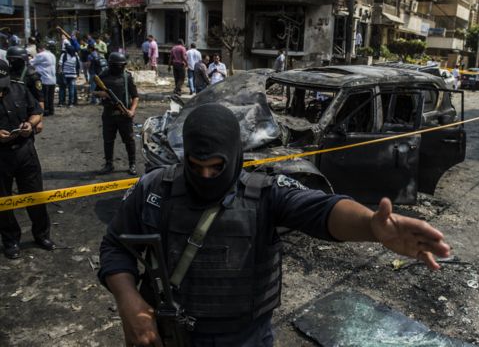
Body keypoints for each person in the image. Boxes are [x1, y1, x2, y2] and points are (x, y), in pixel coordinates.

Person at [98, 103, 450, 346]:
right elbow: (115, 246)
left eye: (217, 167)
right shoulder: (155, 188)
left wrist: (370, 226)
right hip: (163, 335)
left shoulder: (265, 192)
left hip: (243, 339)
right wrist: (129, 302)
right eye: (196, 166)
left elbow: (321, 210)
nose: (206, 176)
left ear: (236, 155)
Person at [0, 59, 55, 259]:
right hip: (1, 157)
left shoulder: (19, 89)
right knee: (3, 202)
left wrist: (30, 125)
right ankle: (10, 240)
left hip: (25, 152)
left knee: (35, 196)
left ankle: (41, 235)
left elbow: (36, 112)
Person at [93, 52, 139, 176]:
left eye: (121, 65)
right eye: (116, 65)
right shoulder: (104, 75)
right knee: (108, 140)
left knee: (129, 140)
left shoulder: (127, 77)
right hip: (108, 114)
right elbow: (94, 91)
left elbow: (135, 96)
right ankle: (109, 164)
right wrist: (102, 94)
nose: (119, 68)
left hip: (124, 115)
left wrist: (132, 110)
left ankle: (132, 164)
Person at [30, 44, 57, 116]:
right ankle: (51, 110)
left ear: (39, 49)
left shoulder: (41, 55)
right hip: (52, 79)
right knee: (51, 96)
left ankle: (46, 111)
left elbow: (31, 63)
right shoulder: (52, 55)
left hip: (44, 79)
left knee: (44, 96)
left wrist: (30, 58)